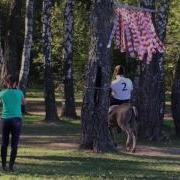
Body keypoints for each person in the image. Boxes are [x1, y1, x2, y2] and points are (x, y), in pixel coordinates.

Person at [0, 75, 26, 171]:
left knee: (4, 143)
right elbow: (24, 103)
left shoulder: (2, 93)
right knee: (14, 144)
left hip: (5, 120)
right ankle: (11, 166)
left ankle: (3, 165)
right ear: (16, 83)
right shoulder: (20, 93)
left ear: (6, 83)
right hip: (16, 120)